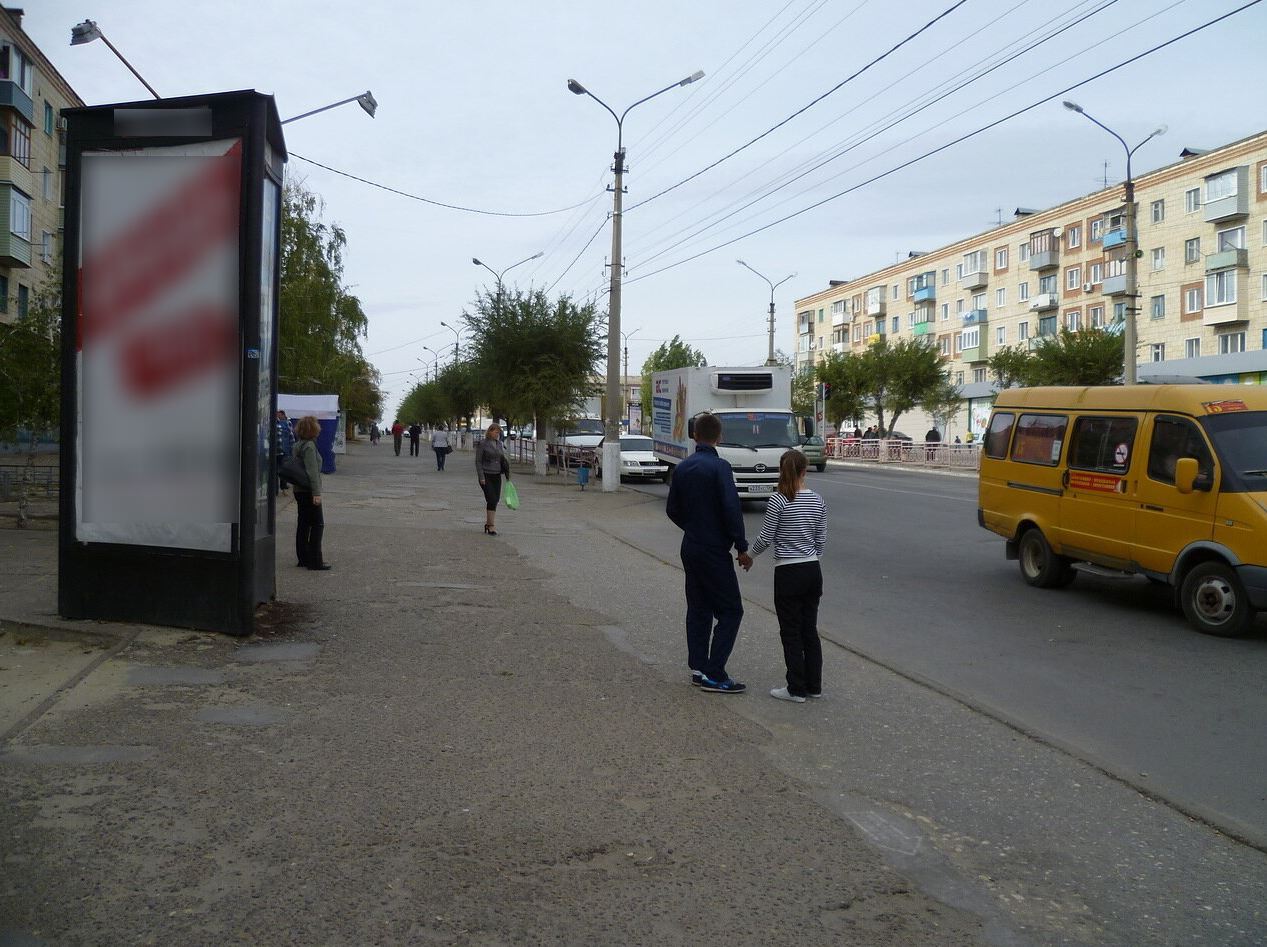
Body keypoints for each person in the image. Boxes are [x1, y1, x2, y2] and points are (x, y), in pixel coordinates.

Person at [665, 412, 750, 694]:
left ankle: (699, 668)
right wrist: (741, 546)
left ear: (694, 435)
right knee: (731, 611)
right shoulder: (720, 468)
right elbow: (731, 509)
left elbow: (672, 510)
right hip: (714, 549)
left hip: (691, 546)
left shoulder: (683, 467)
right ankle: (715, 674)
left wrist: (692, 527)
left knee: (699, 608)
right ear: (719, 437)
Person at [748, 450, 827, 703]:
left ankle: (795, 688)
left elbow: (766, 537)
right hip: (812, 570)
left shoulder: (779, 500)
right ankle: (814, 686)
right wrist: (810, 557)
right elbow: (821, 540)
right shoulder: (817, 501)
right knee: (809, 630)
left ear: (782, 471)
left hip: (788, 572)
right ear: (805, 471)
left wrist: (749, 556)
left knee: (790, 631)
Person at [292, 415, 330, 571]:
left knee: (303, 524)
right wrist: (316, 493)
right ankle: (315, 560)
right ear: (313, 429)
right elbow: (312, 471)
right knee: (317, 524)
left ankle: (303, 557)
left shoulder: (298, 445)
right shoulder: (309, 447)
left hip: (299, 489)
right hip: (308, 490)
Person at [475, 423, 511, 535]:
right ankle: (491, 525)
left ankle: (489, 523)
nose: (497, 434)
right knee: (491, 498)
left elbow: (502, 458)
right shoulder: (483, 444)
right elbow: (478, 461)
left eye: (499, 432)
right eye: (496, 432)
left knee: (495, 500)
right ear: (490, 431)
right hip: (486, 475)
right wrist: (481, 477)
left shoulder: (499, 444)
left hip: (497, 475)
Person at [274, 410, 294, 493]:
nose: (278, 416)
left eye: (279, 415)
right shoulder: (274, 422)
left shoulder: (287, 423)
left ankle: (283, 486)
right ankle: (275, 488)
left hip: (284, 450)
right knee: (275, 469)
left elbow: (291, 436)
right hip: (276, 451)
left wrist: (292, 449)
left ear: (283, 415)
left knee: (284, 469)